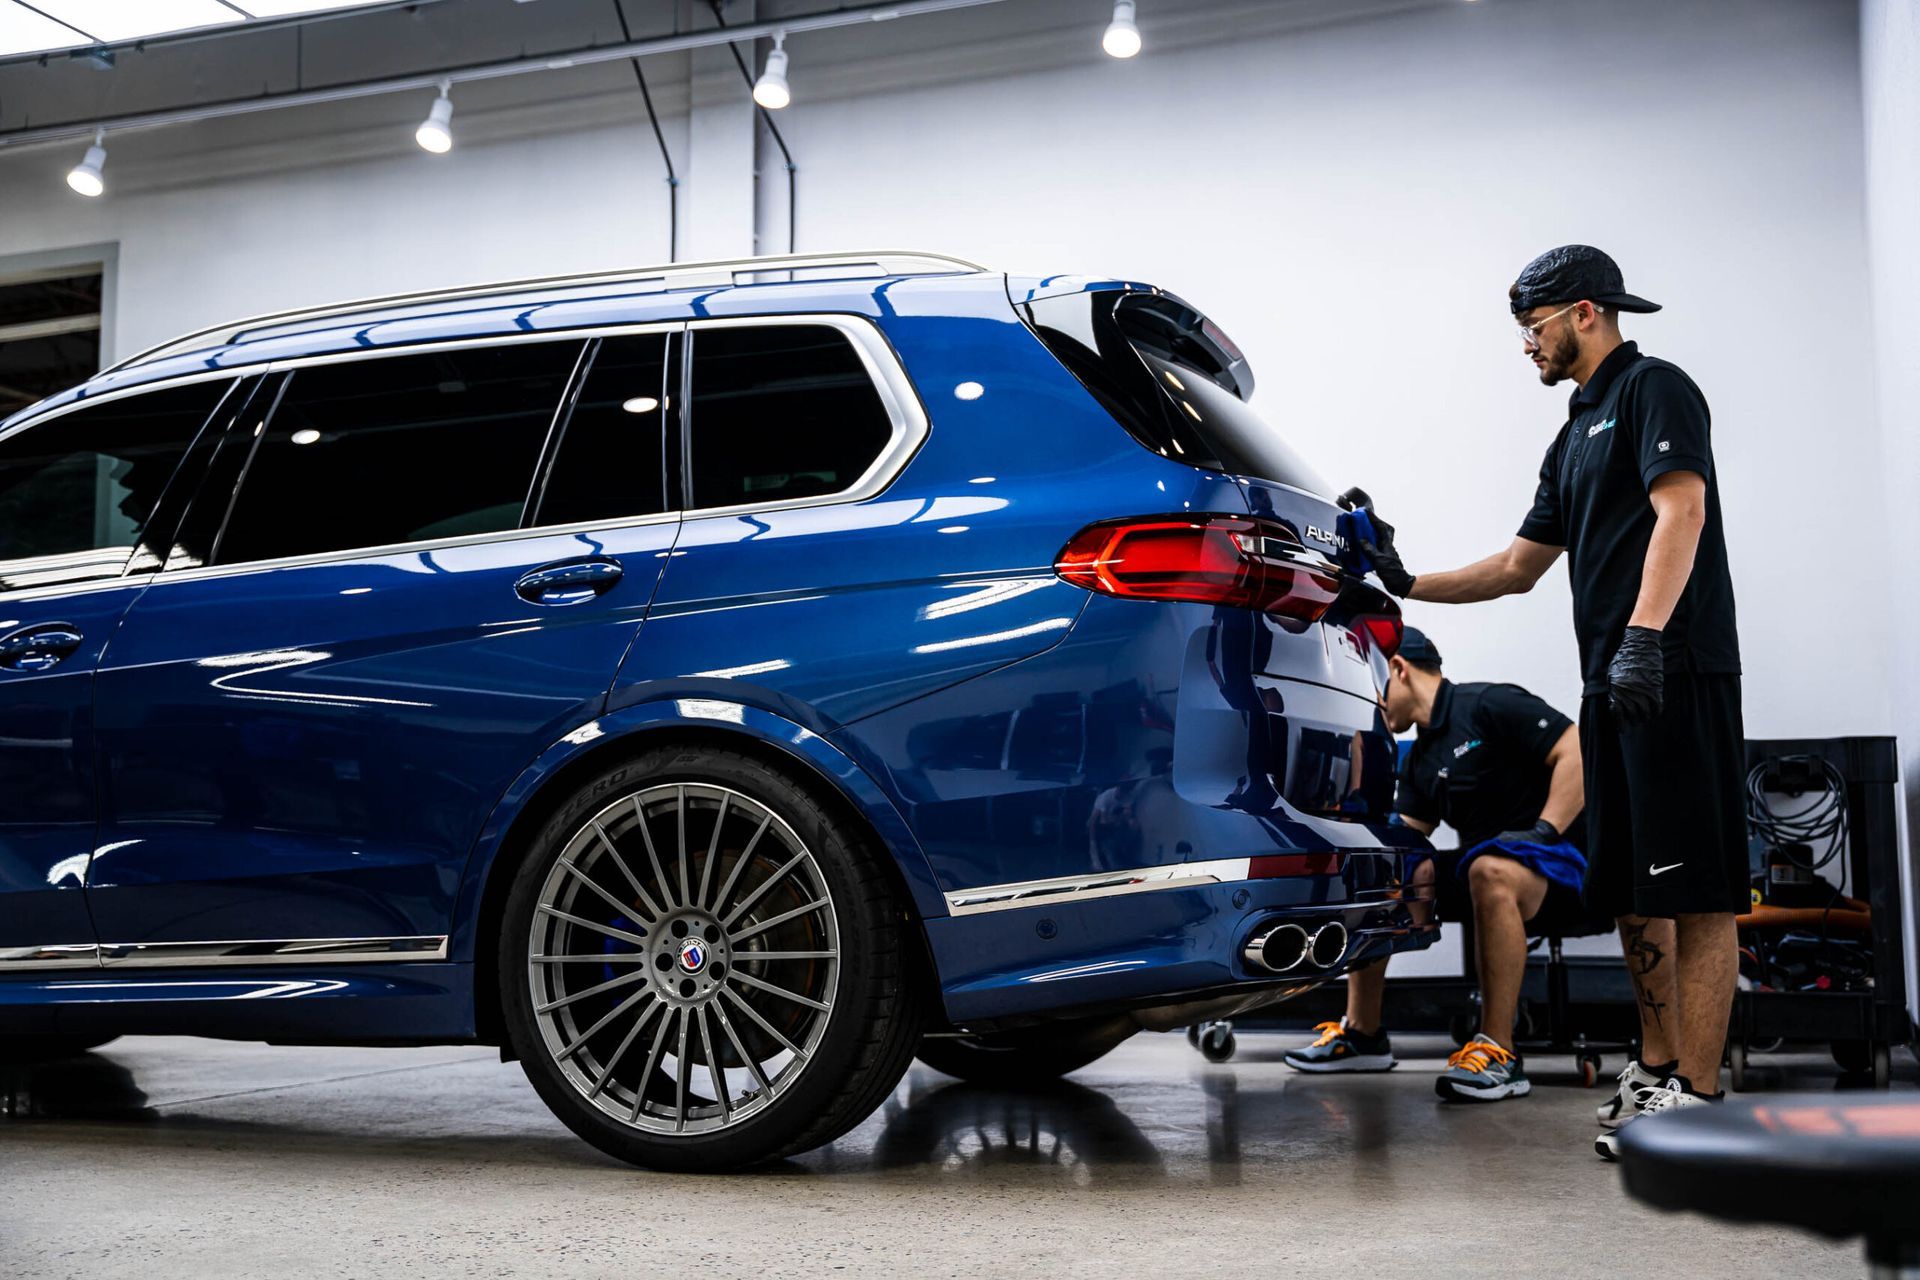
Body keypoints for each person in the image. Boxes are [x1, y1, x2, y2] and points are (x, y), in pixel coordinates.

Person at [1357, 245, 1745, 1158]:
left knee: (1701, 893)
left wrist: (1647, 639)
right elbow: (1516, 569)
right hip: (1612, 684)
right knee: (1636, 888)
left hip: (1674, 668)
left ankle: (1697, 1093)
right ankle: (1653, 1071)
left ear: (1583, 313)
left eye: (1531, 330)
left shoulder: (1657, 388)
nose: (1525, 348)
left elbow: (1679, 510)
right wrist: (1403, 578)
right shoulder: (1572, 435)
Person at [1284, 628, 1590, 1103]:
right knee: (1384, 869)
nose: (1374, 704)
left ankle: (1499, 1052)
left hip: (1562, 868)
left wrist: (1545, 832)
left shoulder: (1488, 703)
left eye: (1376, 689)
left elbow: (1577, 750)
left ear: (1400, 670)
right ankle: (1363, 1035)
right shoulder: (1424, 755)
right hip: (1487, 872)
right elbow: (1408, 829)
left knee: (1488, 868)